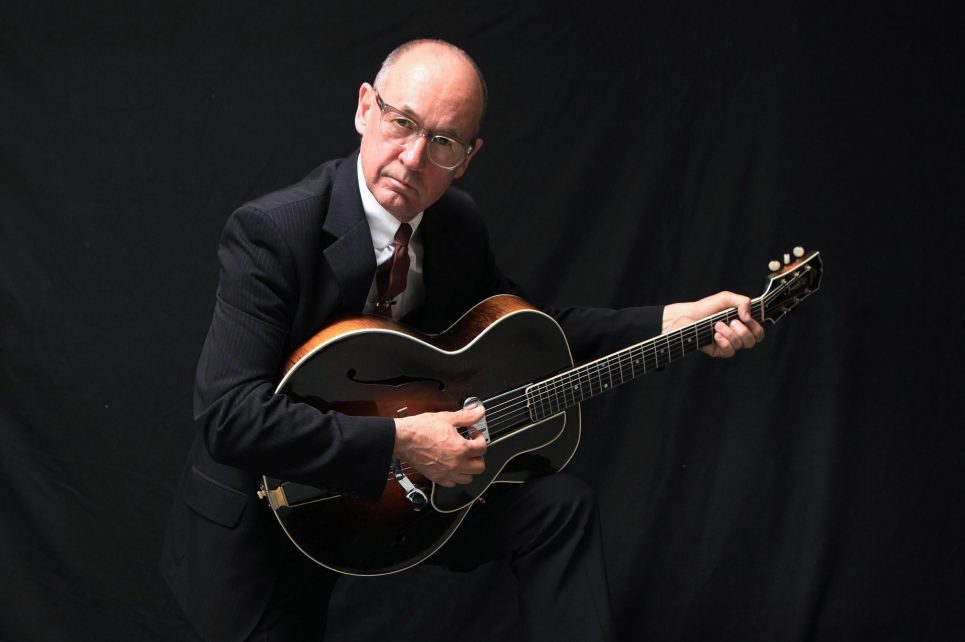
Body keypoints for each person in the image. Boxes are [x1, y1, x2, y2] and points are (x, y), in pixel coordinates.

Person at [160, 39, 764, 642]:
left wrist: (673, 322)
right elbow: (227, 417)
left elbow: (530, 331)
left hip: (404, 500)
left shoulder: (456, 227)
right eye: (403, 123)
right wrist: (402, 442)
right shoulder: (274, 232)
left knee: (559, 508)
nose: (413, 158)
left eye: (443, 142)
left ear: (467, 157)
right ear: (366, 109)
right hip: (276, 509)